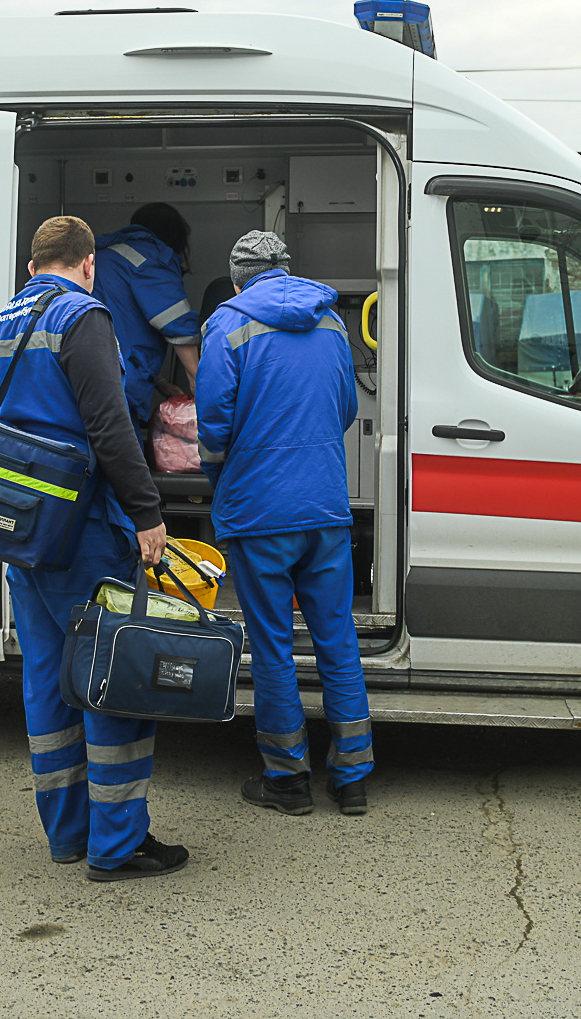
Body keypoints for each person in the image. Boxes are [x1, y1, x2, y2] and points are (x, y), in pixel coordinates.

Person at [0, 215, 187, 881]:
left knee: (48, 684)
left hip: (22, 533)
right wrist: (146, 511)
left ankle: (67, 834)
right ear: (88, 264)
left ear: (34, 267)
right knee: (112, 678)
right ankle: (117, 846)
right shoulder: (82, 317)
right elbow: (109, 423)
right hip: (84, 531)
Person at [195, 230, 374, 816]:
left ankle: (287, 780)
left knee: (272, 646)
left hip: (257, 511)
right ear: (287, 269)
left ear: (239, 274)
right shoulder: (330, 321)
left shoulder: (229, 324)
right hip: (324, 504)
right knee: (337, 639)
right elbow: (346, 406)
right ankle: (351, 781)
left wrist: (221, 475)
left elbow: (214, 422)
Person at [93, 203, 202, 430]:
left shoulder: (104, 256)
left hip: (86, 374)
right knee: (126, 460)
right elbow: (178, 324)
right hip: (117, 385)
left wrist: (160, 382)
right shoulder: (153, 259)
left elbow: (123, 325)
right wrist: (198, 382)